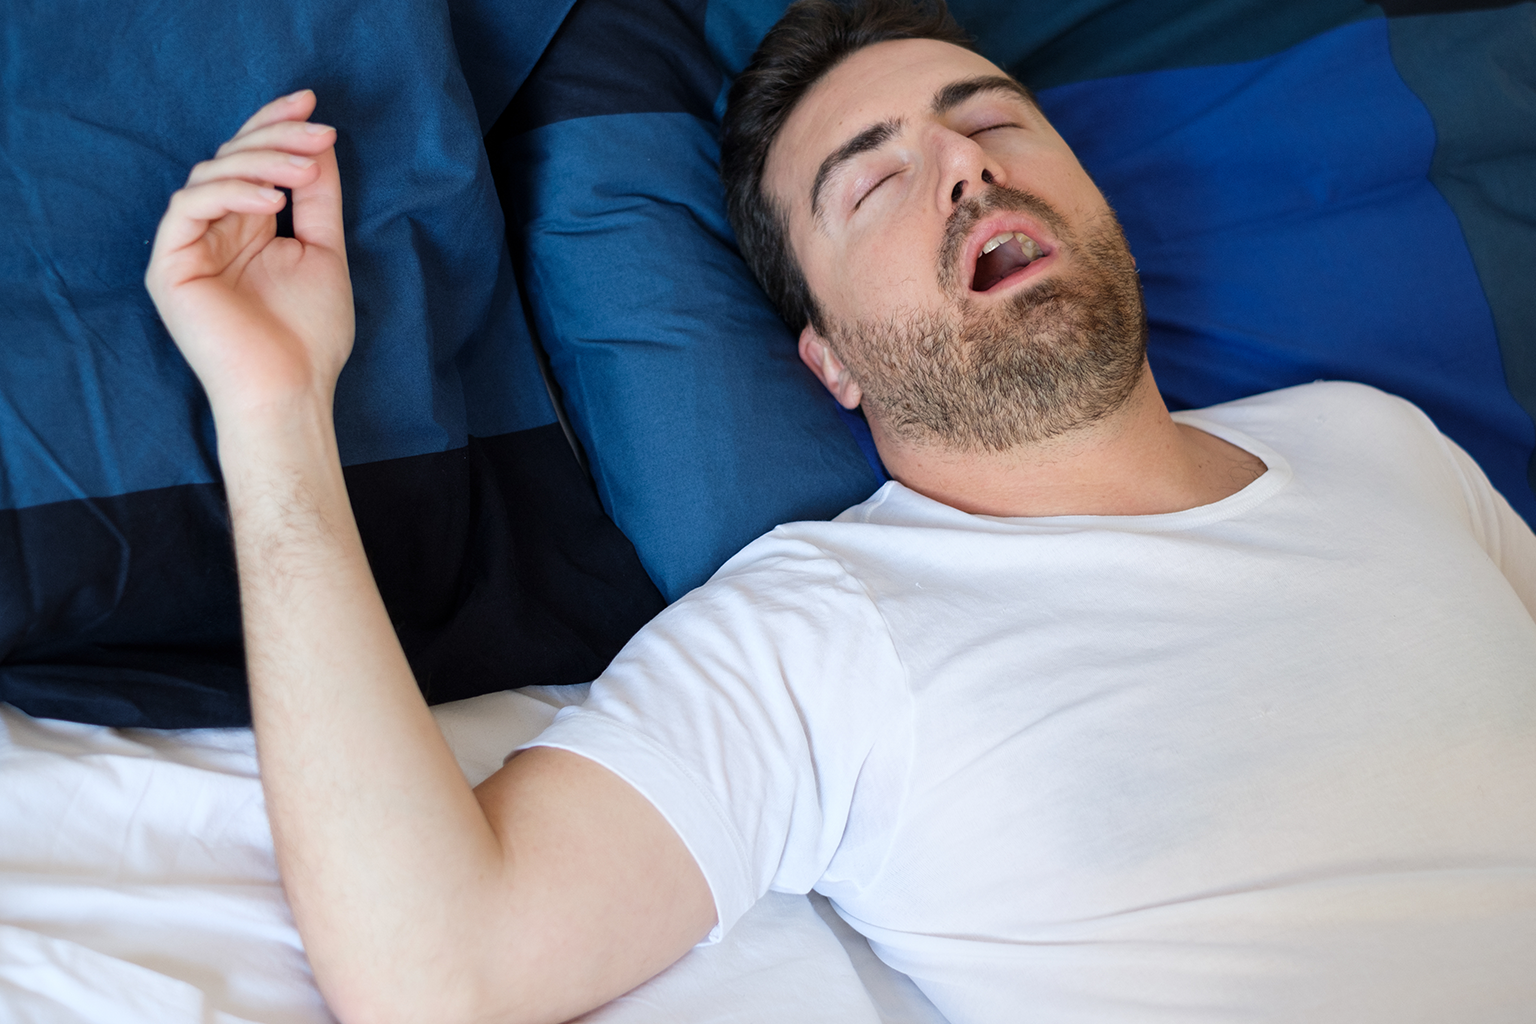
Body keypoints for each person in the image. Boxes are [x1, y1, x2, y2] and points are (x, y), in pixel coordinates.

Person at [143, 1, 1536, 1022]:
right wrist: (273, 412)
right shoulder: (823, 637)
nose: (968, 168)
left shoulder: (1380, 444)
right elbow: (441, 969)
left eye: (992, 121)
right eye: (873, 179)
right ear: (830, 359)